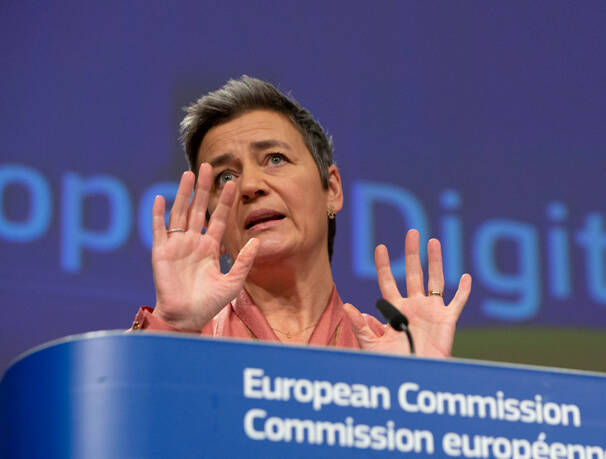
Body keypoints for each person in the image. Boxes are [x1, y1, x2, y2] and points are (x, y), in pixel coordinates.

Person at [131, 75, 472, 357]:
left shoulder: (389, 353)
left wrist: (421, 384)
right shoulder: (182, 343)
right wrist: (172, 327)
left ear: (332, 189)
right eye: (226, 177)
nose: (249, 186)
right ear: (212, 227)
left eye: (275, 159)